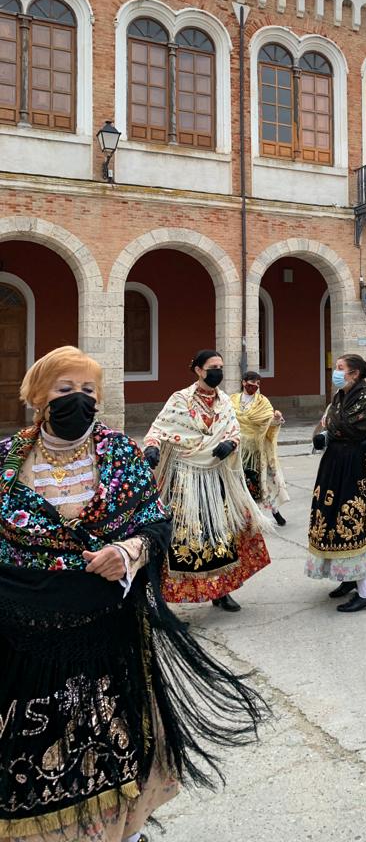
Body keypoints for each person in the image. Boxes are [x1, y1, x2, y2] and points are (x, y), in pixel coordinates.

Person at [0, 347, 267, 841]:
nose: (77, 400)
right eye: (64, 390)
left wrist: (129, 550)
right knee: (34, 748)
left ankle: (120, 829)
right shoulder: (8, 460)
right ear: (38, 397)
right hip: (25, 638)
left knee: (113, 738)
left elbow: (154, 520)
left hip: (106, 632)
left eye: (88, 392)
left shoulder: (117, 453)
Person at [144, 349, 270, 613]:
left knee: (220, 534)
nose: (218, 372)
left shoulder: (224, 401)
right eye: (213, 367)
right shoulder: (180, 400)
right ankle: (170, 596)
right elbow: (159, 428)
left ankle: (222, 592)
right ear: (199, 370)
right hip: (186, 477)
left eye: (220, 367)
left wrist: (229, 443)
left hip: (216, 476)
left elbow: (234, 430)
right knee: (186, 536)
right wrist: (152, 448)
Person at [306, 354, 366, 612]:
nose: (336, 371)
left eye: (341, 369)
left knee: (351, 522)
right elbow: (333, 428)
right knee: (330, 518)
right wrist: (324, 439)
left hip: (359, 466)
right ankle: (348, 578)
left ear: (354, 374)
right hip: (335, 464)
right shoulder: (339, 399)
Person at [231, 371, 289, 526]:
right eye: (252, 382)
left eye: (258, 383)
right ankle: (245, 515)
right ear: (244, 382)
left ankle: (275, 512)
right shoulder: (232, 400)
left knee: (263, 482)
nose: (255, 386)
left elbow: (269, 422)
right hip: (236, 447)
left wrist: (276, 419)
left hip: (257, 449)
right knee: (239, 483)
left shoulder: (263, 402)